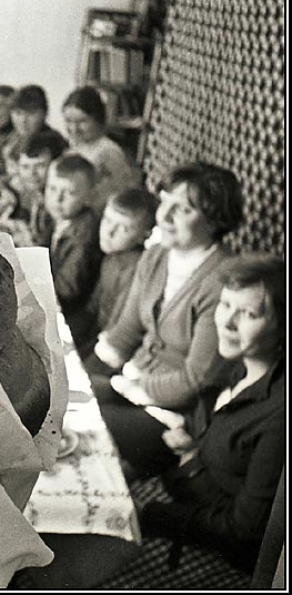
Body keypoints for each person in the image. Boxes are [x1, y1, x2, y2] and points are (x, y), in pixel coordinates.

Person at [100, 254, 285, 586]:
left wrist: (154, 514)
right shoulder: (234, 362)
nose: (227, 322)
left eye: (249, 313)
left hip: (216, 554)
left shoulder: (278, 417)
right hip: (180, 493)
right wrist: (188, 449)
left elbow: (242, 532)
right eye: (226, 305)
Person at [84, 162, 245, 478]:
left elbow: (195, 381)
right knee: (57, 398)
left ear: (215, 220)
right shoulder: (157, 254)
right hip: (133, 385)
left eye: (182, 209)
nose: (165, 216)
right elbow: (127, 331)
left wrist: (129, 385)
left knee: (78, 426)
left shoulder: (222, 280)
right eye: (165, 200)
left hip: (177, 416)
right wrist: (79, 375)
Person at [77, 187, 158, 356]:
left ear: (145, 236)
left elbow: (115, 330)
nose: (109, 232)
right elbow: (91, 309)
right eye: (107, 220)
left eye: (123, 228)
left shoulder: (134, 270)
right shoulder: (112, 256)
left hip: (112, 348)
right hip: (95, 334)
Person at [43, 153, 103, 345]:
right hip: (54, 298)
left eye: (68, 193)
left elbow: (66, 290)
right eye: (52, 188)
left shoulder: (83, 236)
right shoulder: (63, 217)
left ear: (89, 196)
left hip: (71, 317)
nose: (57, 199)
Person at [62, 86, 140, 210]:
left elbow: (107, 200)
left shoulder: (108, 152)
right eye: (68, 121)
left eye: (82, 121)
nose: (74, 129)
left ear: (98, 119)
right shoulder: (74, 148)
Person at [4, 84, 67, 163]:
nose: (23, 120)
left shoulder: (53, 142)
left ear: (44, 113)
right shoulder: (10, 137)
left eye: (31, 113)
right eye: (18, 113)